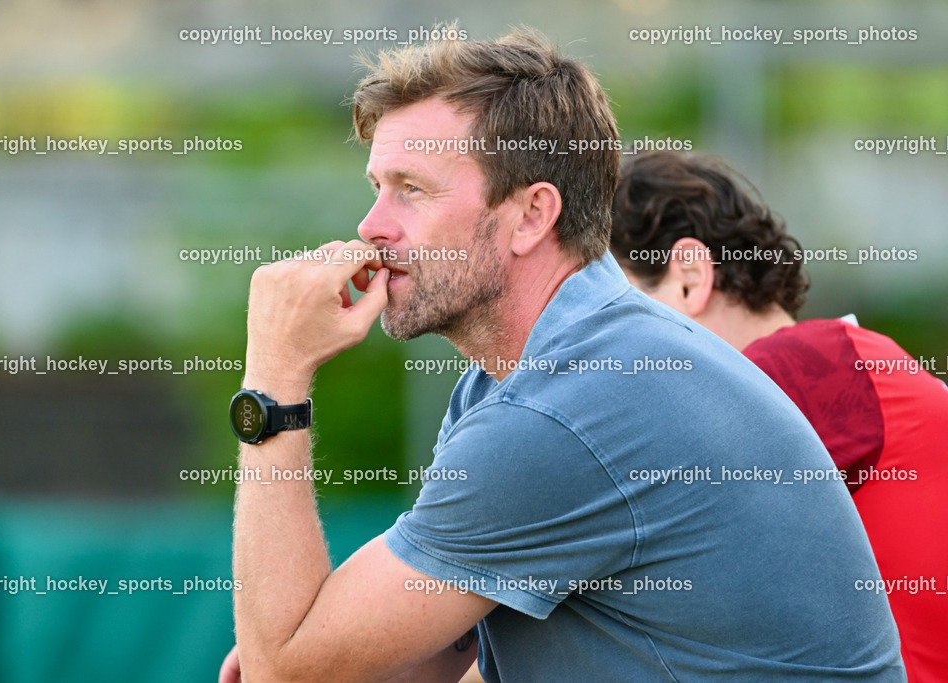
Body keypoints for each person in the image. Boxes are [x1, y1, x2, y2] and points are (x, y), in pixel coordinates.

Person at [220, 30, 904, 682]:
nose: (372, 226)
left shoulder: (569, 409)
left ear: (530, 216)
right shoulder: (521, 379)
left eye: (412, 189)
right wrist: (317, 644)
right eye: (377, 187)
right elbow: (392, 665)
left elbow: (288, 671)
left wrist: (274, 376)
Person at [610, 149, 948, 682]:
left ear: (689, 278)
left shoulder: (809, 366)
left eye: (612, 310)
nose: (601, 360)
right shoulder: (851, 362)